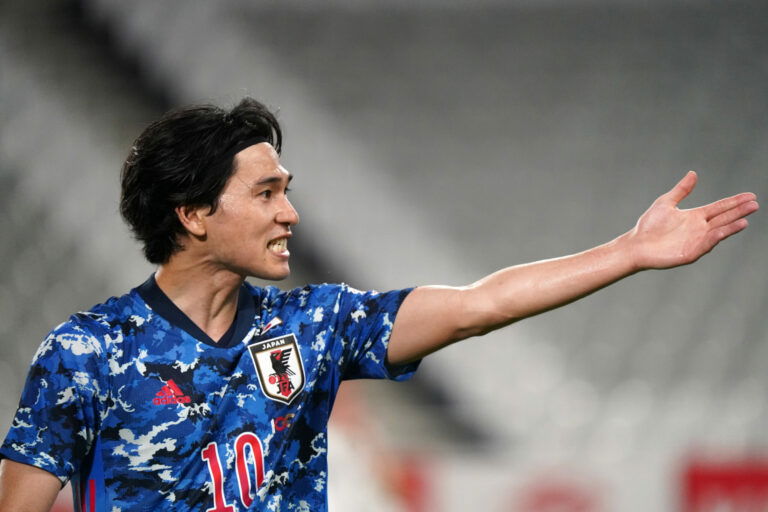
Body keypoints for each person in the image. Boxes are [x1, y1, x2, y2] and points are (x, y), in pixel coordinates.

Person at [0, 97, 759, 512]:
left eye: (287, 192)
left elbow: (474, 305)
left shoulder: (314, 325)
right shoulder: (86, 352)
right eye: (265, 193)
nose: (289, 214)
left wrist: (627, 251)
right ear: (192, 213)